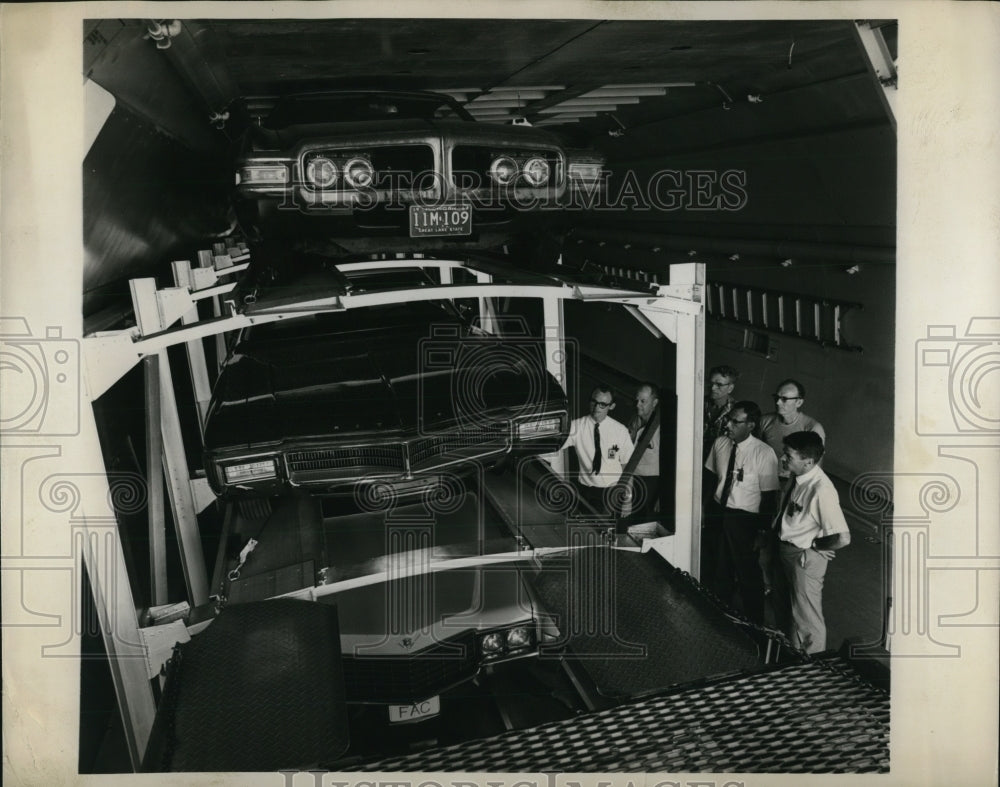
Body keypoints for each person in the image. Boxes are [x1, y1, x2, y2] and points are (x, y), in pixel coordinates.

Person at [771, 430, 851, 653]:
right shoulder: (797, 477)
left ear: (807, 461)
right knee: (785, 609)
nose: (783, 458)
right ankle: (790, 658)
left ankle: (813, 667)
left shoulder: (821, 489)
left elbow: (842, 537)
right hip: (785, 549)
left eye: (788, 455)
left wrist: (816, 546)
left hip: (803, 557)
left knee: (807, 619)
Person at [702, 401, 780, 623]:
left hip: (745, 520)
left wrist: (762, 531)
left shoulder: (764, 453)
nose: (728, 425)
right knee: (718, 567)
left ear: (750, 425)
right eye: (728, 419)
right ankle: (719, 617)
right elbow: (710, 479)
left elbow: (769, 497)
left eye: (735, 422)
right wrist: (703, 510)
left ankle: (754, 624)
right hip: (718, 512)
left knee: (747, 573)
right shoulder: (720, 443)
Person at [562, 384, 634, 514]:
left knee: (608, 526)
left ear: (611, 406)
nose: (596, 408)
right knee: (584, 524)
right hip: (585, 490)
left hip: (612, 492)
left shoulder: (620, 431)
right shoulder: (576, 427)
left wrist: (628, 499)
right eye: (594, 402)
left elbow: (627, 466)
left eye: (602, 404)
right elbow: (556, 444)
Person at [759, 378, 826, 482]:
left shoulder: (812, 428)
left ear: (798, 402)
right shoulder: (765, 421)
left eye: (784, 399)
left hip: (790, 482)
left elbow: (815, 468)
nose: (778, 402)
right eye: (776, 397)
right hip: (762, 476)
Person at [626, 382, 661, 521]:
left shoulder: (660, 429)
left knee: (643, 524)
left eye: (643, 401)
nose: (637, 405)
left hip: (650, 486)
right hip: (631, 480)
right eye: (637, 400)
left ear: (655, 403)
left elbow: (670, 466)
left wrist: (661, 496)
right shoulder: (634, 422)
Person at [703, 365, 739, 461]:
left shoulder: (738, 411)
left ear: (730, 388)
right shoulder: (698, 402)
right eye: (711, 383)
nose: (713, 388)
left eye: (719, 384)